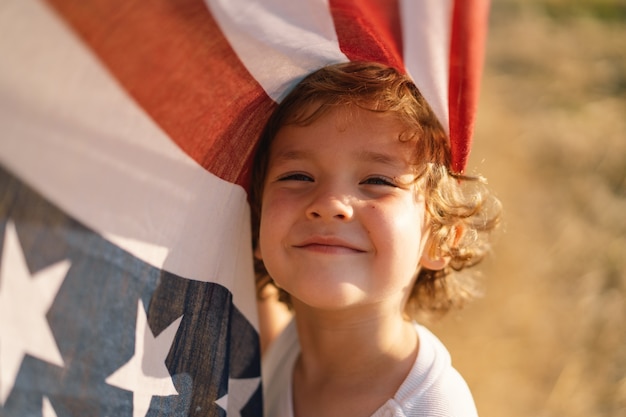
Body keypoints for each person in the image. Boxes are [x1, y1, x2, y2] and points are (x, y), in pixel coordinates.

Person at [249, 61, 501, 417]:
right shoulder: (285, 353)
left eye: (378, 181)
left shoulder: (433, 408)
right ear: (257, 225)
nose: (329, 204)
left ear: (439, 239)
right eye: (298, 176)